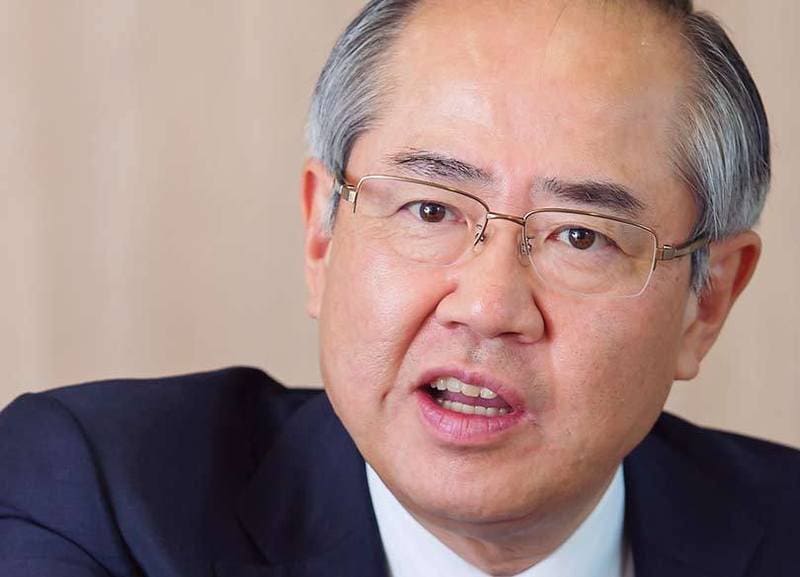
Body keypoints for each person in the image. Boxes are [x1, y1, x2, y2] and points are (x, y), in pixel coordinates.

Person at [1, 0, 797, 576]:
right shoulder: (98, 499)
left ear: (706, 302)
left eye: (580, 236)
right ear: (322, 236)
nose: (487, 307)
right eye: (430, 209)